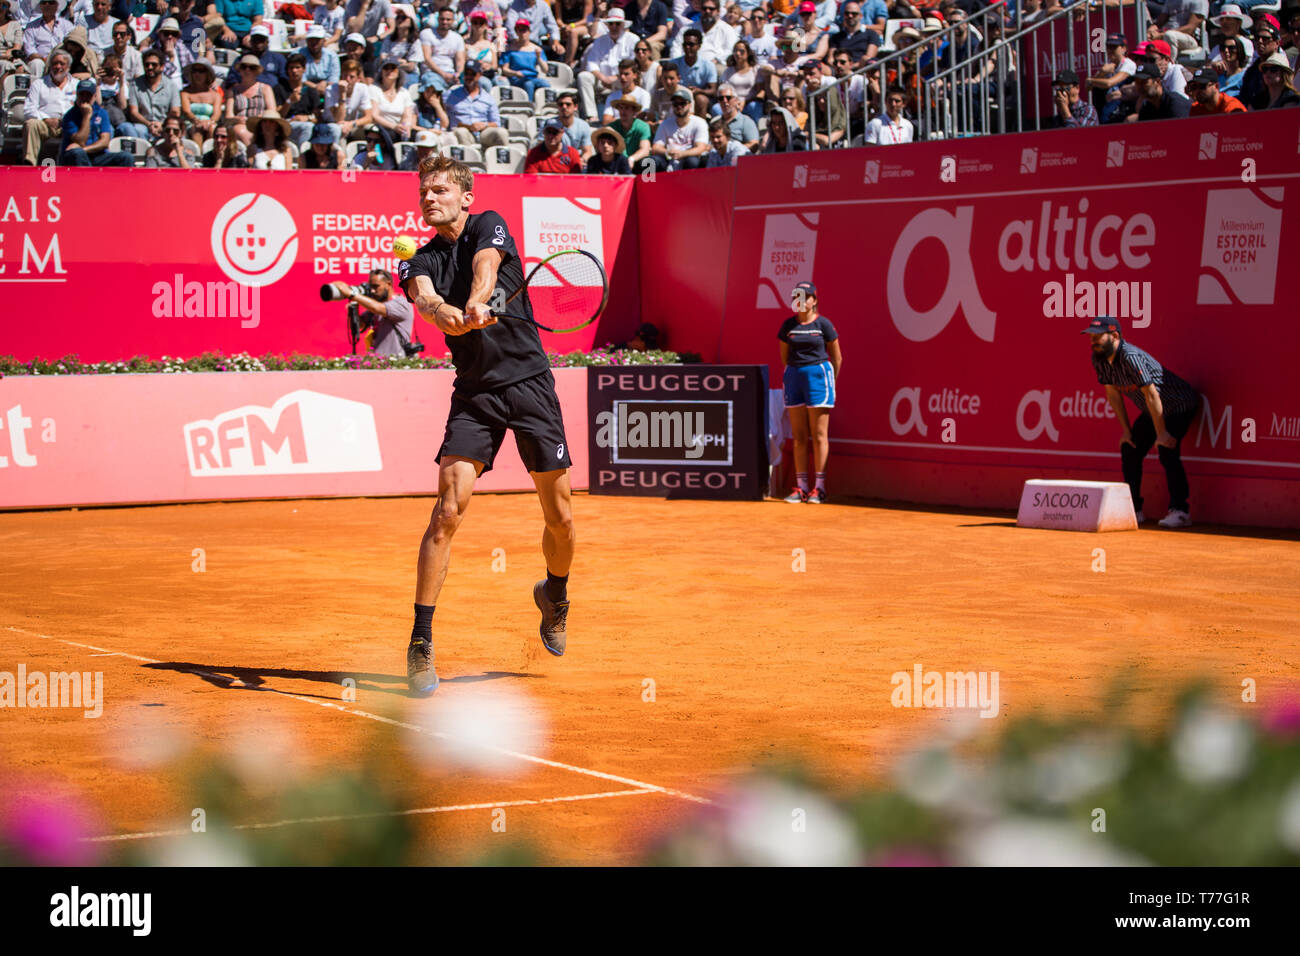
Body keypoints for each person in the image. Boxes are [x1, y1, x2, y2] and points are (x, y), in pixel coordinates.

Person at [397, 154, 577, 695]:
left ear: (465, 197)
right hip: (474, 394)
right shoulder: (417, 257)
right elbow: (424, 296)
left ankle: (555, 593)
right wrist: (441, 314)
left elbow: (487, 268)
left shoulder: (488, 223)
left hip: (530, 386)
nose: (430, 198)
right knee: (447, 509)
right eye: (424, 191)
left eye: (441, 191)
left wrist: (474, 303)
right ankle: (421, 640)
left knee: (561, 517)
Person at [1083, 316, 1199, 528]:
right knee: (1130, 448)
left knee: (1167, 448)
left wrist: (1162, 432)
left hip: (1178, 405)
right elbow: (1113, 394)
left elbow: (1152, 395)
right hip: (1152, 408)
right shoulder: (1098, 359)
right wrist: (1126, 431)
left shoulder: (1130, 357)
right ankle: (1133, 510)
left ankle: (1180, 511)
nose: (1094, 341)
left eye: (1098, 337)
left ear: (1115, 336)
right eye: (1091, 337)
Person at [778, 280, 840, 505]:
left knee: (819, 435)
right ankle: (802, 487)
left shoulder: (824, 325)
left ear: (814, 300)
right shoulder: (788, 326)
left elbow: (837, 357)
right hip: (794, 378)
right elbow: (784, 357)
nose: (801, 301)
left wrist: (828, 381)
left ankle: (819, 488)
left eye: (805, 297)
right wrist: (795, 373)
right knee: (799, 436)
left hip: (819, 378)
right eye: (797, 297)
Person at [333, 269, 416, 355]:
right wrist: (353, 310)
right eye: (370, 287)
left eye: (376, 286)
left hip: (397, 362)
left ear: (389, 284)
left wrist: (352, 294)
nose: (372, 291)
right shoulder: (379, 306)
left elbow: (378, 308)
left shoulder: (401, 303)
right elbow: (360, 325)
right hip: (379, 362)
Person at [59, 76, 132, 164]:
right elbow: (80, 141)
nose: (85, 98)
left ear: (94, 96)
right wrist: (87, 116)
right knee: (78, 153)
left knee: (126, 157)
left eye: (88, 95)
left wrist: (85, 149)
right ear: (77, 95)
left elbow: (105, 141)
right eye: (82, 94)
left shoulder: (101, 113)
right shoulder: (69, 116)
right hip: (75, 157)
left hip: (96, 154)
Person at [579, 6, 635, 118]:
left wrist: (615, 78)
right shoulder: (600, 41)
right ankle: (592, 116)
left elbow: (633, 65)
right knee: (583, 77)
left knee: (627, 79)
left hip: (621, 80)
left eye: (617, 24)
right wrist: (602, 78)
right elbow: (592, 63)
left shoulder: (632, 40)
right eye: (611, 24)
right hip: (601, 79)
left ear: (623, 25)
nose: (614, 27)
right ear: (607, 25)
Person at [22, 47, 74, 163]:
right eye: (55, 63)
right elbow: (29, 109)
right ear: (50, 66)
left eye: (62, 63)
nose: (58, 67)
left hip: (69, 125)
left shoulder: (76, 84)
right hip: (45, 126)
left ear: (68, 67)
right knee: (31, 124)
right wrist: (45, 119)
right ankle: (29, 163)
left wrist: (65, 120)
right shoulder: (39, 84)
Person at [444, 59, 508, 145]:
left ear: (480, 75)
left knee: (501, 132)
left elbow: (496, 123)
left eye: (473, 74)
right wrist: (469, 126)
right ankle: (467, 158)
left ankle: (501, 158)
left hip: (483, 132)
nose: (469, 77)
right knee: (461, 132)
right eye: (467, 74)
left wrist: (484, 125)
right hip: (462, 130)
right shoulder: (451, 95)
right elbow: (442, 112)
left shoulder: (487, 98)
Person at [223, 51, 277, 145]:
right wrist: (238, 119)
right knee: (240, 130)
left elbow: (272, 111)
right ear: (239, 70)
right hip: (239, 125)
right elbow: (228, 115)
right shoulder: (232, 91)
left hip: (260, 125)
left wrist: (254, 120)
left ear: (257, 71)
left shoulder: (265, 89)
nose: (247, 70)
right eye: (244, 67)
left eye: (252, 68)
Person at [650, 86, 708, 170]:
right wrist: (667, 152)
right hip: (668, 158)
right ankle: (650, 183)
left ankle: (690, 183)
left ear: (689, 105)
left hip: (688, 158)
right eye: (676, 104)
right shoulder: (665, 124)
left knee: (692, 161)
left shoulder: (699, 122)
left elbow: (701, 148)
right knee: (650, 161)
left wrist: (682, 154)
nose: (679, 106)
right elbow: (656, 148)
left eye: (682, 103)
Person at [276, 52, 323, 148]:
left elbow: (318, 117)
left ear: (304, 69)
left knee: (309, 127)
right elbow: (279, 115)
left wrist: (307, 118)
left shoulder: (310, 90)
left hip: (306, 123)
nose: (294, 71)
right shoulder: (280, 88)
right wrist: (289, 101)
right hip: (287, 124)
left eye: (297, 67)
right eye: (291, 68)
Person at [418, 5, 465, 92]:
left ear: (453, 21)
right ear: (438, 19)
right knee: (434, 86)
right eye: (442, 19)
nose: (445, 22)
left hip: (450, 73)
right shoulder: (427, 33)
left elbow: (460, 60)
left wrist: (458, 74)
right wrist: (443, 74)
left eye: (448, 19)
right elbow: (427, 58)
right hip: (431, 73)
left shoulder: (457, 38)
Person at [501, 18, 550, 99]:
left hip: (533, 77)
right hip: (517, 79)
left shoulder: (536, 49)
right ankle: (529, 106)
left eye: (524, 30)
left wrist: (538, 57)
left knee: (545, 84)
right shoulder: (510, 49)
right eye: (519, 30)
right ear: (516, 32)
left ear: (529, 31)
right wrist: (515, 73)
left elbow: (545, 70)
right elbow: (504, 69)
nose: (522, 33)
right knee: (528, 84)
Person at [371, 56, 417, 140]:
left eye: (393, 68)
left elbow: (407, 115)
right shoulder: (374, 89)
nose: (389, 71)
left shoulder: (404, 92)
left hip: (399, 128)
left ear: (398, 72)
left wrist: (404, 126)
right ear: (381, 72)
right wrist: (393, 126)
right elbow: (374, 116)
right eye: (386, 68)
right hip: (382, 128)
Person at [181, 57, 223, 145]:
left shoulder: (216, 95)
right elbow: (186, 111)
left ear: (207, 74)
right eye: (194, 71)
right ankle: (198, 157)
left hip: (210, 123)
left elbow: (217, 114)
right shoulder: (185, 93)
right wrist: (197, 121)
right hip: (190, 124)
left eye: (201, 71)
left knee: (212, 129)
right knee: (197, 130)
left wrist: (209, 122)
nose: (197, 74)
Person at [608, 94, 650, 169]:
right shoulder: (612, 127)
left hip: (637, 162)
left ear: (634, 111)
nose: (623, 111)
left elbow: (645, 149)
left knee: (648, 162)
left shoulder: (643, 126)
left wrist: (632, 159)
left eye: (627, 108)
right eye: (621, 108)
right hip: (617, 163)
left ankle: (647, 181)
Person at [716, 81, 757, 149]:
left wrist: (732, 151)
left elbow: (753, 144)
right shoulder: (716, 122)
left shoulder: (746, 122)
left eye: (728, 97)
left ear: (736, 100)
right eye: (721, 98)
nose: (724, 101)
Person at [301, 24, 340, 95]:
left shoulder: (332, 56)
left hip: (327, 89)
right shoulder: (298, 54)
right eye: (311, 39)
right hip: (305, 91)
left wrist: (325, 83)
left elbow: (334, 78)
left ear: (324, 40)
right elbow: (299, 78)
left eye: (317, 40)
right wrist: (315, 87)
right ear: (306, 40)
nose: (314, 43)